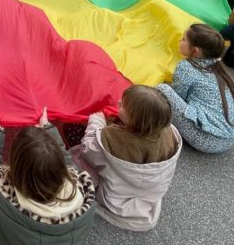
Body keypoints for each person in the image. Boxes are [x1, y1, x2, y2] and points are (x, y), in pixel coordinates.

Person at [0, 106, 96, 244]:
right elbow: (67, 163)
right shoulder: (82, 194)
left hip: (10, 235)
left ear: (16, 168)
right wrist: (48, 130)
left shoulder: (1, 198)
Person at [69, 86, 181, 231]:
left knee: (76, 151)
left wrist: (97, 122)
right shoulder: (168, 133)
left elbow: (88, 150)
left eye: (123, 106)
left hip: (115, 200)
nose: (118, 102)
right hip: (148, 194)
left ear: (136, 120)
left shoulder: (113, 138)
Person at [156, 24, 234, 154]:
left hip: (208, 140)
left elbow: (177, 97)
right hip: (230, 139)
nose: (179, 41)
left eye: (183, 39)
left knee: (162, 89)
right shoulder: (217, 68)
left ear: (195, 51)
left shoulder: (186, 67)